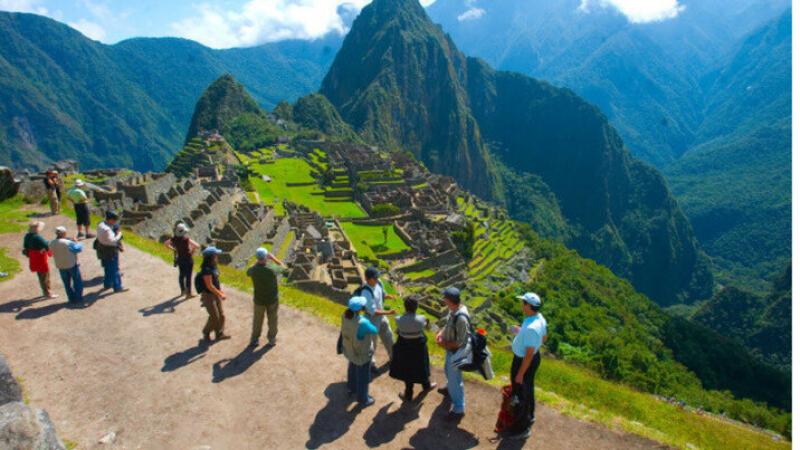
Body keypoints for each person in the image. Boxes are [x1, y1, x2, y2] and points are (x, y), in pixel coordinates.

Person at [504, 292, 548, 440]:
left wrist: (520, 373)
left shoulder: (531, 328)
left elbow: (528, 354)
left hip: (524, 361)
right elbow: (544, 337)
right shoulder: (538, 318)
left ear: (529, 306)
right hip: (533, 358)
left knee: (520, 391)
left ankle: (521, 428)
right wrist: (521, 332)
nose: (522, 305)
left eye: (523, 303)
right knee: (528, 388)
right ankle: (530, 415)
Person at [389, 297, 437, 402]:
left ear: (405, 307)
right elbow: (430, 328)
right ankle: (426, 386)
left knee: (407, 370)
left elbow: (398, 331)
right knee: (422, 366)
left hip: (404, 347)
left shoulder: (398, 319)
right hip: (419, 348)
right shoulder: (422, 319)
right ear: (417, 307)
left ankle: (408, 394)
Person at [436, 286, 469, 419]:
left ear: (450, 300)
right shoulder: (454, 311)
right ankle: (450, 389)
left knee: (455, 379)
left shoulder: (461, 318)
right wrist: (441, 333)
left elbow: (463, 341)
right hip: (450, 350)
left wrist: (444, 344)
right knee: (447, 370)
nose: (443, 300)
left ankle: (458, 408)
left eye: (445, 298)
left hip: (456, 352)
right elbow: (448, 325)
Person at [341, 296, 378, 407]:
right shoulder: (363, 322)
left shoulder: (344, 315)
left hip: (349, 349)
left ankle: (351, 388)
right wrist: (367, 317)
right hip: (361, 352)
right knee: (363, 375)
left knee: (352, 366)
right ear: (361, 308)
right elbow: (374, 330)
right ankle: (363, 399)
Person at [246, 247, 285, 347]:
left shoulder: (253, 270)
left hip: (259, 300)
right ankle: (272, 339)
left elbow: (248, 272)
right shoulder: (272, 269)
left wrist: (257, 262)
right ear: (266, 258)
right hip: (272, 299)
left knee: (257, 320)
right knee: (272, 320)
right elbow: (284, 269)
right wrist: (274, 258)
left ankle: (254, 339)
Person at [360, 266, 396, 372]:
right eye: (375, 278)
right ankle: (371, 364)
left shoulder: (378, 282)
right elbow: (373, 311)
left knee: (389, 336)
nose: (377, 279)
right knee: (372, 343)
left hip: (381, 316)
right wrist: (389, 312)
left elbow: (382, 294)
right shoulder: (365, 292)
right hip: (371, 319)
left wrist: (389, 296)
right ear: (368, 279)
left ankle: (394, 358)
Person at [198, 246, 230, 342]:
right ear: (211, 257)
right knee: (214, 316)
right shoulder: (206, 269)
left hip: (215, 293)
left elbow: (216, 281)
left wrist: (220, 291)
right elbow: (209, 285)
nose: (217, 256)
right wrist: (220, 294)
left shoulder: (213, 266)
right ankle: (206, 332)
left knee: (222, 315)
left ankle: (219, 333)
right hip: (208, 295)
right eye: (216, 255)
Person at [50, 226, 84, 305]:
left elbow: (51, 252)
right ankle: (78, 297)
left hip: (60, 265)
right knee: (77, 281)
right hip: (71, 264)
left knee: (66, 283)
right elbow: (78, 249)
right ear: (64, 233)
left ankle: (71, 298)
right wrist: (77, 242)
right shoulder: (68, 243)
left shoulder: (52, 243)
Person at [164, 223, 199, 299]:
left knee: (181, 275)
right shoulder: (186, 239)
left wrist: (173, 249)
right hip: (188, 259)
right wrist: (192, 251)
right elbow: (197, 246)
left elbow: (166, 244)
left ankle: (182, 291)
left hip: (180, 259)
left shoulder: (174, 239)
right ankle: (188, 293)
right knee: (188, 277)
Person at [22, 221, 56, 299]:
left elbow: (25, 246)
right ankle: (48, 293)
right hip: (40, 258)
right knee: (45, 275)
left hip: (33, 258)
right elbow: (46, 246)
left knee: (40, 275)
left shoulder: (27, 236)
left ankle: (45, 291)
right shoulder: (37, 237)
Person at [96, 211, 126, 293]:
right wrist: (119, 234)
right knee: (114, 268)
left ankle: (107, 284)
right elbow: (113, 240)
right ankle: (117, 286)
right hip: (110, 250)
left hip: (102, 248)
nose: (115, 222)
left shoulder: (100, 224)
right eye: (114, 220)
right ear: (111, 220)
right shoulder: (107, 229)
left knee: (107, 267)